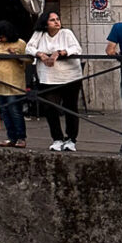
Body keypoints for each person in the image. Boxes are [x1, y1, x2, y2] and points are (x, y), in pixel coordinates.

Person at [27, 9, 83, 151]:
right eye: (53, 20)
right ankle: (57, 138)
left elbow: (76, 48)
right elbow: (29, 48)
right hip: (48, 77)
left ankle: (71, 139)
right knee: (50, 109)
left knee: (70, 107)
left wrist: (59, 53)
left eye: (58, 19)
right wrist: (40, 54)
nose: (57, 22)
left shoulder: (66, 33)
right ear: (45, 23)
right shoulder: (40, 34)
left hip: (70, 76)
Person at [0, 20, 29, 147]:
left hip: (13, 83)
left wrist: (15, 55)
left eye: (1, 36)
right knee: (4, 111)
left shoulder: (20, 43)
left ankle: (21, 137)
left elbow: (29, 60)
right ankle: (11, 137)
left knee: (15, 110)